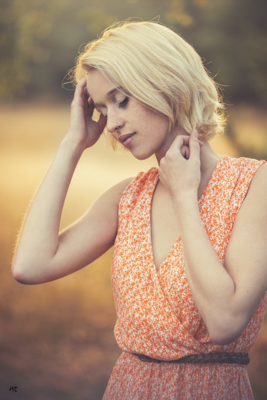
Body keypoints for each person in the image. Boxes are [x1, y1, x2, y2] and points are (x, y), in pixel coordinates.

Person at [12, 20, 267, 400]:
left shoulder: (255, 186)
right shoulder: (127, 198)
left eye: (122, 100)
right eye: (101, 108)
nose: (112, 123)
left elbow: (225, 321)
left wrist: (184, 196)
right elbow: (29, 267)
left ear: (165, 82)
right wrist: (72, 145)